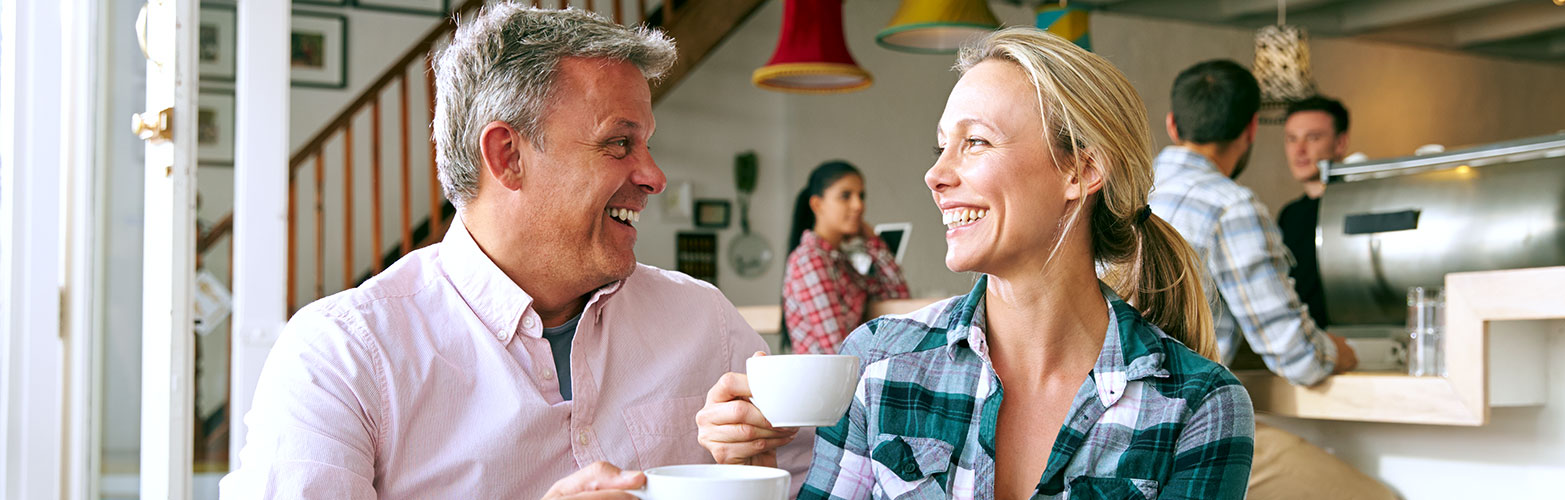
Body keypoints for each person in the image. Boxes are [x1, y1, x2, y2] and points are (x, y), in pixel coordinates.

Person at [220, 6, 810, 499]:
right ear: (507, 156)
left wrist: (756, 477)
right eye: (619, 144)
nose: (654, 176)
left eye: (646, 145)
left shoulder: (706, 323)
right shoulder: (343, 356)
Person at [697, 28, 1255, 498]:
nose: (935, 175)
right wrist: (745, 477)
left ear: (1080, 172)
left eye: (977, 143)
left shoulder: (1200, 406)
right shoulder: (877, 364)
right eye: (941, 146)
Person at [1150, 61, 1393, 499]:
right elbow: (1295, 355)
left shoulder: (1120, 191)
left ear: (1171, 124)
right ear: (1251, 130)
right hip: (1182, 432)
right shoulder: (1230, 206)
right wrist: (1343, 353)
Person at [781, 160, 910, 354]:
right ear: (817, 204)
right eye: (845, 196)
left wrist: (874, 242)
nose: (858, 205)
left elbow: (898, 299)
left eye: (861, 196)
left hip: (847, 374)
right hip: (826, 381)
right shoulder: (810, 260)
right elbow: (837, 350)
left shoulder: (839, 261)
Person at [1277, 95, 1350, 328]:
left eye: (1313, 138)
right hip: (1307, 343)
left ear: (1340, 143)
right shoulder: (1289, 215)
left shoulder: (1355, 206)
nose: (1299, 150)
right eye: (1291, 139)